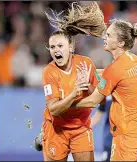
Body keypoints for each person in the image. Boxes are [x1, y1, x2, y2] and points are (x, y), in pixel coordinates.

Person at [72, 19, 137, 161]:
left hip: (125, 138)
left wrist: (68, 104)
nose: (104, 38)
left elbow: (94, 101)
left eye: (109, 35)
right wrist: (91, 74)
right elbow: (112, 75)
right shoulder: (133, 59)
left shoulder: (115, 69)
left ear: (120, 43)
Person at [40, 2, 106, 161]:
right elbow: (54, 110)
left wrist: (88, 86)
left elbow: (101, 100)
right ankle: (43, 136)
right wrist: (75, 93)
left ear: (71, 47)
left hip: (81, 129)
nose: (56, 50)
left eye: (60, 46)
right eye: (52, 47)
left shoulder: (86, 64)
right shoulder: (49, 72)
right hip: (57, 129)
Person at [91, 96, 137, 161]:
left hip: (128, 142)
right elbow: (97, 116)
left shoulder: (136, 90)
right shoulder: (107, 93)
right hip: (110, 141)